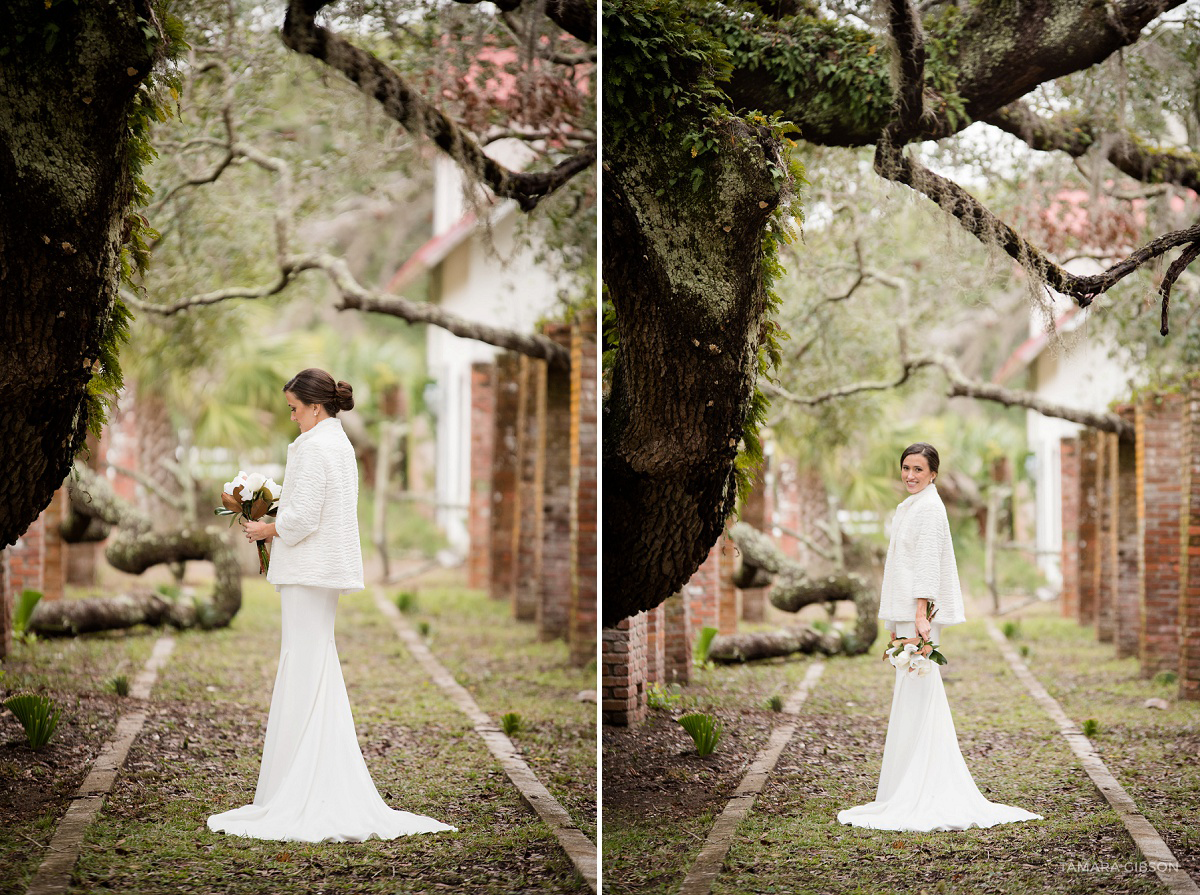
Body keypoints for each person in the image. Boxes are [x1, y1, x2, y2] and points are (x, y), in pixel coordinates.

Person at [207, 368, 455, 842]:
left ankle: (303, 784)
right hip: (321, 574)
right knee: (314, 663)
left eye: (295, 409)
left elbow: (302, 518)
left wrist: (264, 528)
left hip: (307, 572)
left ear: (315, 407)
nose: (293, 417)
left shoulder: (316, 447)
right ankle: (308, 775)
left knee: (305, 664)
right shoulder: (337, 445)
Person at [837, 442, 1041, 832]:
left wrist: (919, 614)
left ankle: (926, 784)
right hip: (907, 613)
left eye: (918, 469)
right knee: (912, 694)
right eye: (906, 468)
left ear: (933, 474)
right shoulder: (912, 506)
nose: (910, 475)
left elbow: (928, 564)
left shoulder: (929, 508)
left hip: (921, 615)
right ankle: (905, 783)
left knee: (920, 691)